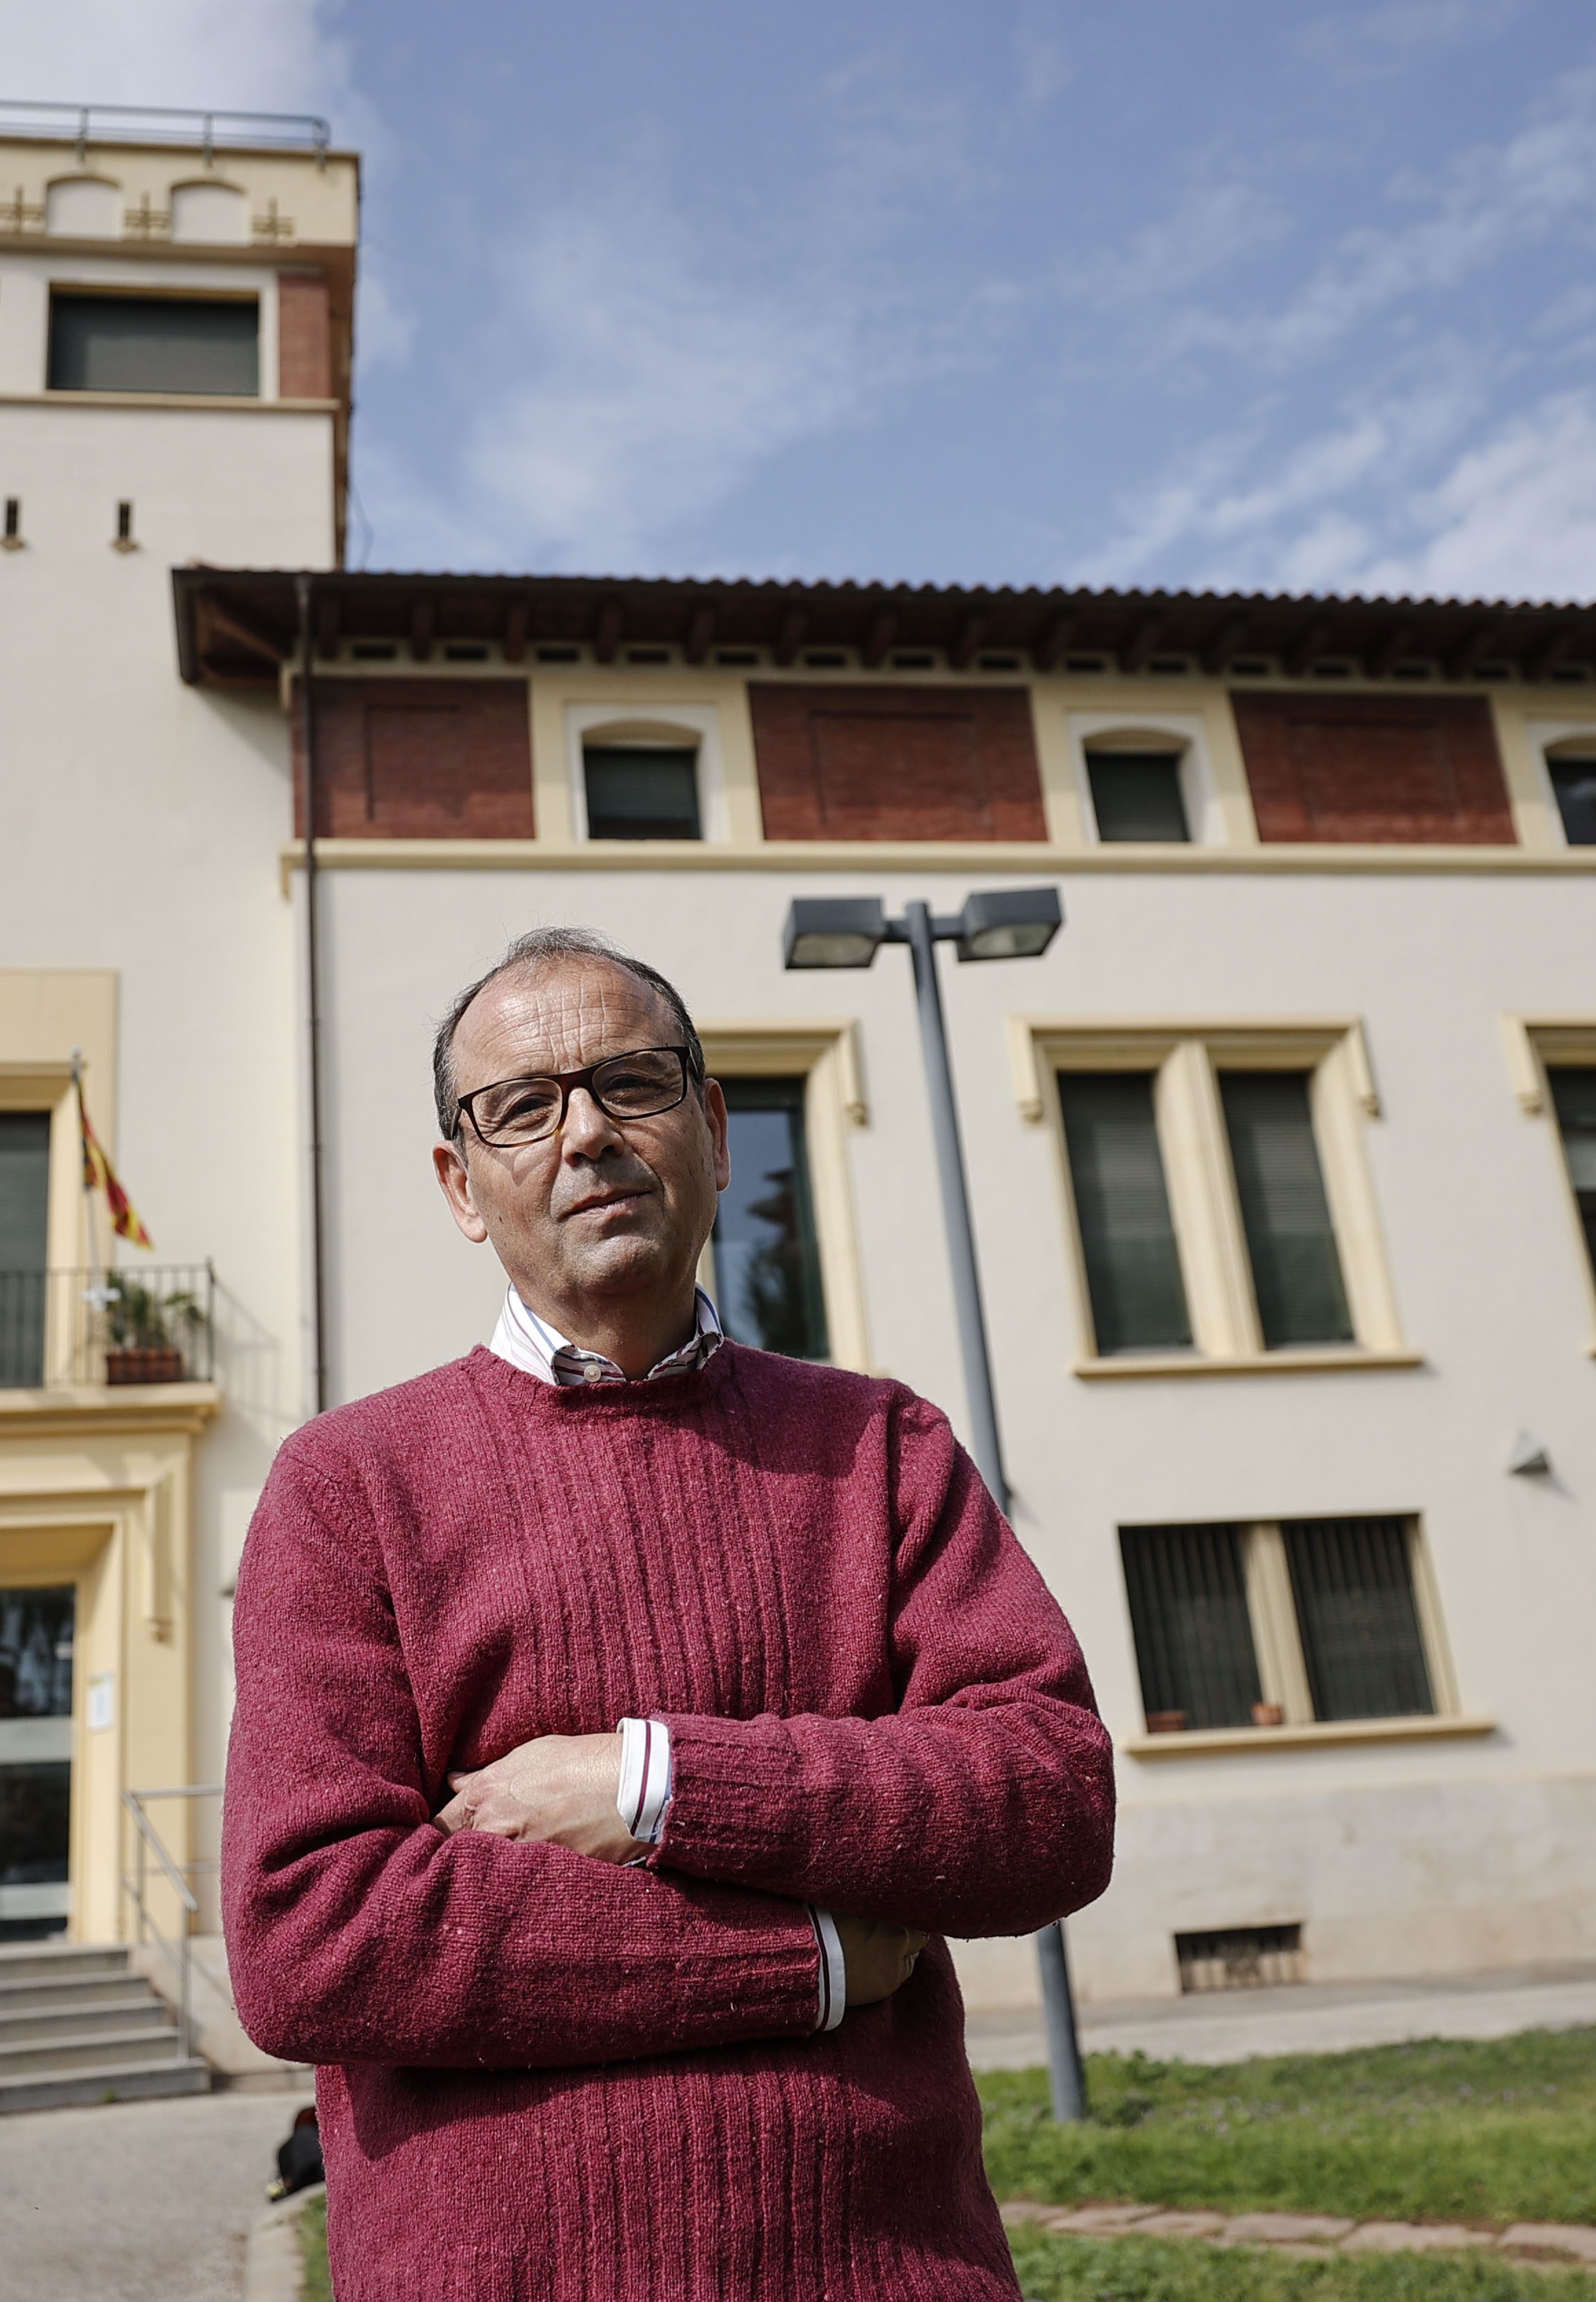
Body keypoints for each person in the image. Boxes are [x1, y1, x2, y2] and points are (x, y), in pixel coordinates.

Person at [224, 927, 1117, 2301]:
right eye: (522, 1107)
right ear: (461, 1187)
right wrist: (808, 1958)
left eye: (629, 1082)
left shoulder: (879, 1447)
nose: (585, 1133)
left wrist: (650, 1780)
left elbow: (1046, 1793)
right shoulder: (348, 1487)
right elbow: (312, 1936)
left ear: (712, 1130)